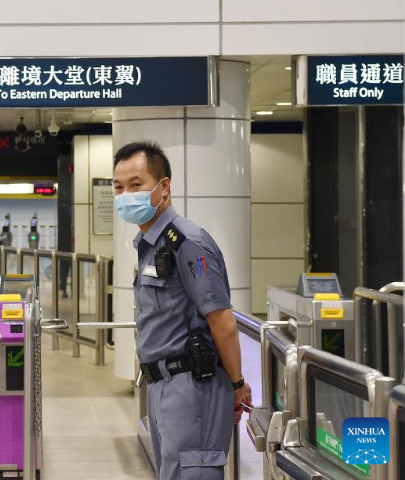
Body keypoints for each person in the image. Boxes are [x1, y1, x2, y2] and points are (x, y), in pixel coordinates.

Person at [112, 141, 252, 480]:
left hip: (193, 388)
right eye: (118, 187)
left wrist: (237, 384)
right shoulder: (152, 245)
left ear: (164, 187)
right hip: (162, 386)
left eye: (136, 184)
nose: (125, 194)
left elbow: (222, 322)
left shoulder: (187, 242)